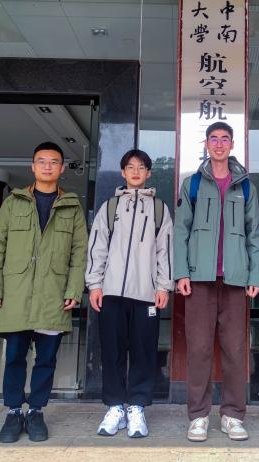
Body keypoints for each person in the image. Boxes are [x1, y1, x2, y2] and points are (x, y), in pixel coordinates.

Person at [0, 141, 87, 443]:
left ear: (62, 168)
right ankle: (14, 411)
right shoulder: (13, 202)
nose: (47, 166)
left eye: (53, 162)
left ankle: (37, 410)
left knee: (46, 359)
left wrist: (74, 289)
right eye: (42, 161)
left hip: (53, 294)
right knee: (15, 356)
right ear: (33, 166)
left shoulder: (72, 206)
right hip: (16, 293)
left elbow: (79, 252)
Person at [174, 121, 259, 442]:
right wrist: (181, 273)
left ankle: (232, 415)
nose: (219, 144)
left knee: (235, 350)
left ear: (232, 144)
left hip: (236, 280)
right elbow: (181, 231)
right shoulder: (193, 184)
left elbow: (255, 234)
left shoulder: (246, 186)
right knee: (198, 349)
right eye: (214, 139)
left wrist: (255, 275)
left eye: (225, 139)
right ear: (206, 144)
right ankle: (198, 416)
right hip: (199, 278)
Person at [86, 149, 173, 438]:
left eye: (141, 167)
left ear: (149, 173)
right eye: (130, 167)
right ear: (123, 172)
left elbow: (165, 250)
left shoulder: (159, 209)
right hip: (111, 292)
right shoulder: (110, 207)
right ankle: (115, 407)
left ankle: (136, 407)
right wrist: (94, 284)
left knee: (143, 352)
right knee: (111, 351)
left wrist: (163, 286)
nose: (136, 172)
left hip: (146, 293)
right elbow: (97, 246)